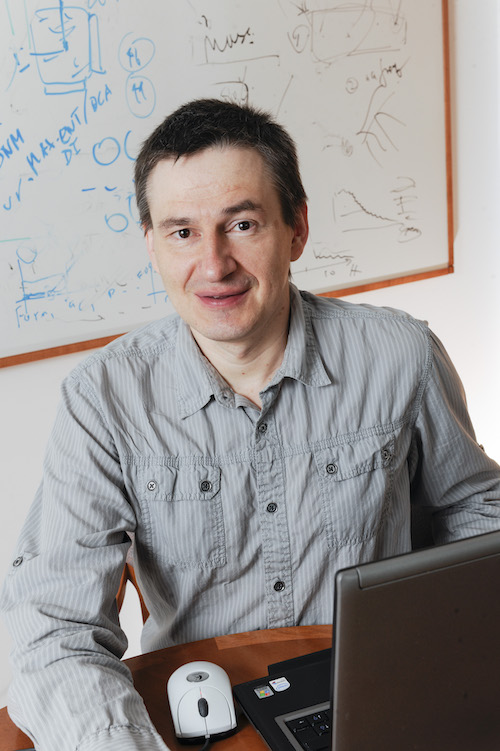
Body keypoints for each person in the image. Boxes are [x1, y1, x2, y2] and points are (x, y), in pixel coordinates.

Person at [1, 98, 500, 751]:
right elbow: (51, 626)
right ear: (151, 245)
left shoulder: (401, 353)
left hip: (379, 701)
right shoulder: (103, 399)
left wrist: (445, 658)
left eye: (241, 224)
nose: (214, 265)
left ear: (296, 229)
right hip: (205, 725)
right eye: (182, 232)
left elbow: (476, 512)